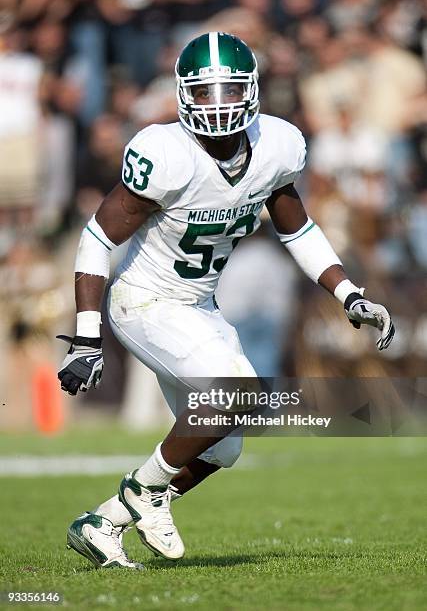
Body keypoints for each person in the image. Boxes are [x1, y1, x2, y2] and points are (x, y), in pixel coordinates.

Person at [58, 32, 395, 569]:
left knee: (225, 444)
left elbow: (298, 228)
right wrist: (86, 335)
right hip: (145, 301)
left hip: (198, 306)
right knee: (236, 392)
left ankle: (104, 523)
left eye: (230, 91)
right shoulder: (165, 154)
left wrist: (347, 292)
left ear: (253, 91)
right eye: (205, 92)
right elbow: (97, 238)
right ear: (183, 94)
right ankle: (142, 492)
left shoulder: (276, 146)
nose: (218, 106)